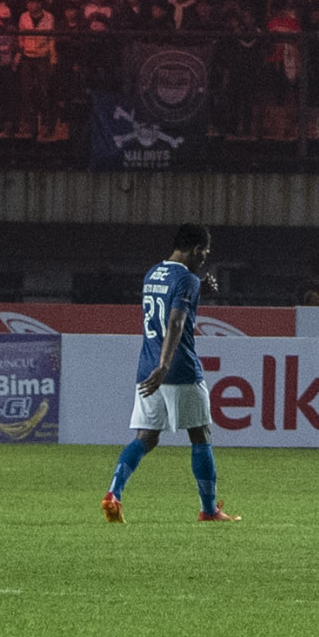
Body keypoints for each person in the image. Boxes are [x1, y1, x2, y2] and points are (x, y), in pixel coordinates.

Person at [106, 223, 236, 524]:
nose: (205, 258)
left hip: (146, 366)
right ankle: (208, 510)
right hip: (177, 367)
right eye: (205, 252)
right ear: (195, 249)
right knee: (200, 435)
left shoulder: (153, 273)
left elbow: (166, 307)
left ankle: (113, 493)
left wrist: (199, 290)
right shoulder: (187, 278)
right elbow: (175, 323)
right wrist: (165, 366)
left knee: (146, 437)